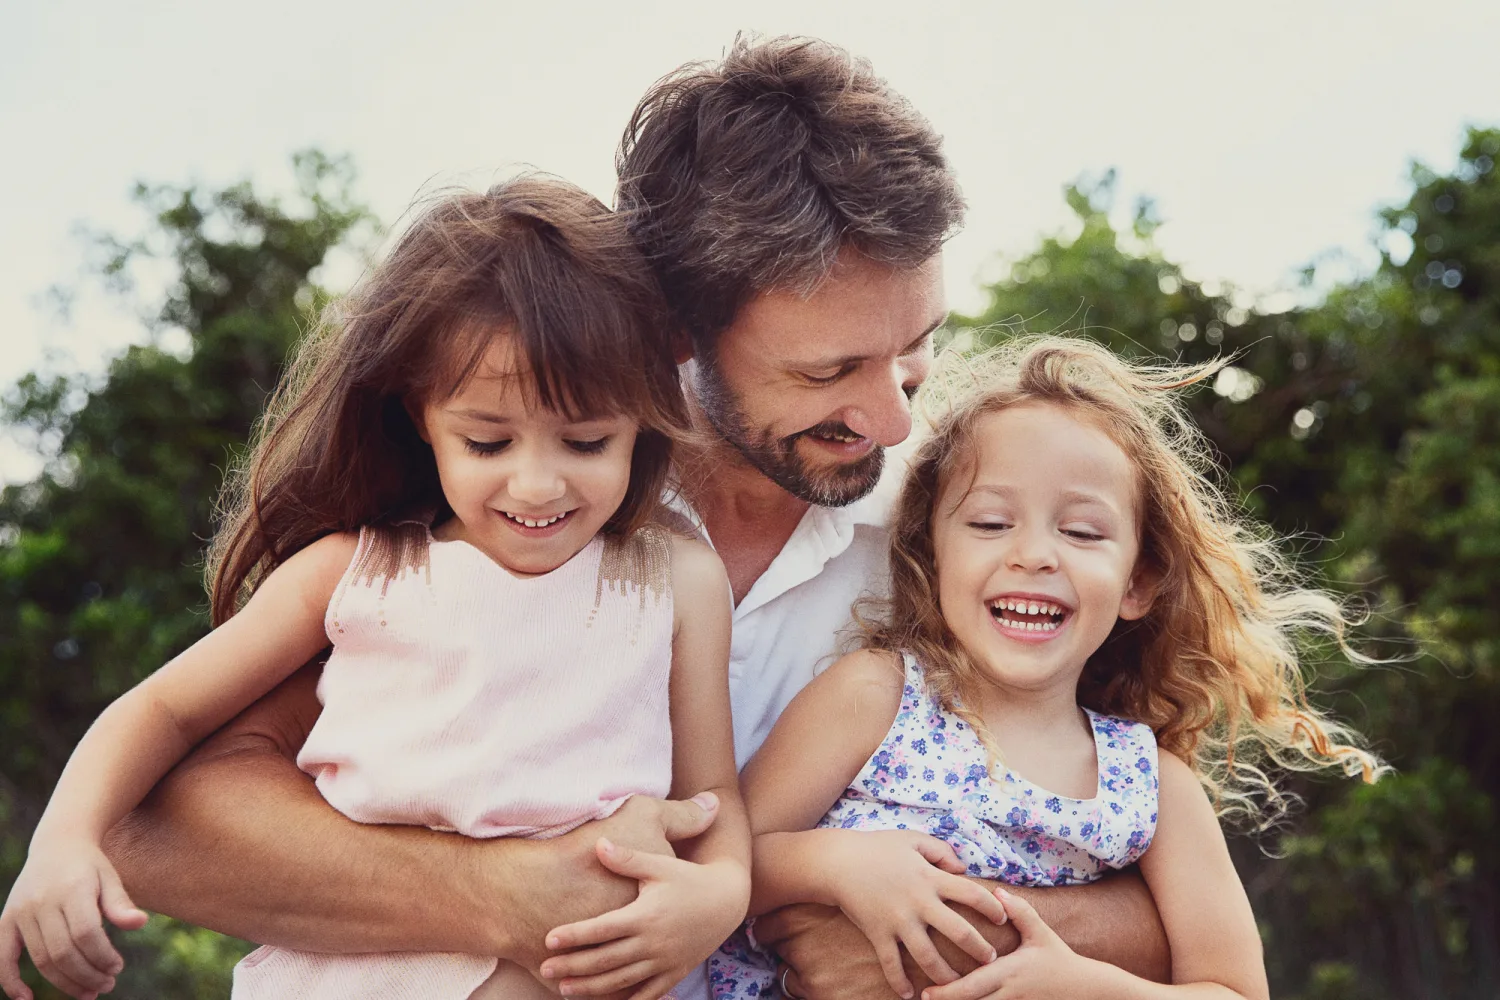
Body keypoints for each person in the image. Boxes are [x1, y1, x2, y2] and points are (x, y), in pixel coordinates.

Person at [13, 36, 1170, 1000]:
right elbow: (157, 826)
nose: (892, 418)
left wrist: (898, 927)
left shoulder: (963, 536)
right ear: (674, 339)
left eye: (918, 351)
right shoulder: (522, 512)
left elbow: (1152, 854)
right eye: (831, 372)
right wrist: (505, 894)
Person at [0, 176, 750, 1000]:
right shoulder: (356, 571)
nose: (538, 485)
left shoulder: (676, 581)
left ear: (642, 419)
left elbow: (711, 795)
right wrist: (63, 839)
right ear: (421, 415)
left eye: (585, 440)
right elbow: (164, 710)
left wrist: (718, 895)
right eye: (489, 442)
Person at [710, 338, 1384, 1000]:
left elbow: (1234, 989)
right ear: (931, 553)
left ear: (1139, 581)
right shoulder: (875, 694)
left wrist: (1083, 985)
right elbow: (724, 862)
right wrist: (836, 866)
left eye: (1083, 532)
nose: (1033, 555)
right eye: (991, 523)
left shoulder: (1152, 784)